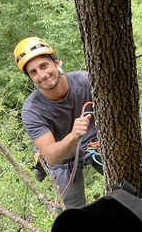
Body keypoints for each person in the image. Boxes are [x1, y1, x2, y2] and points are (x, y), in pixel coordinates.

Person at [14, 37, 103, 208]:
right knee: (74, 214)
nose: (42, 75)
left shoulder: (86, 81)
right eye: (33, 72)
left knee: (132, 185)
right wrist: (73, 136)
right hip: (62, 157)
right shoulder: (32, 110)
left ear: (57, 62)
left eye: (44, 66)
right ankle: (41, 166)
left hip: (95, 144)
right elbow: (52, 156)